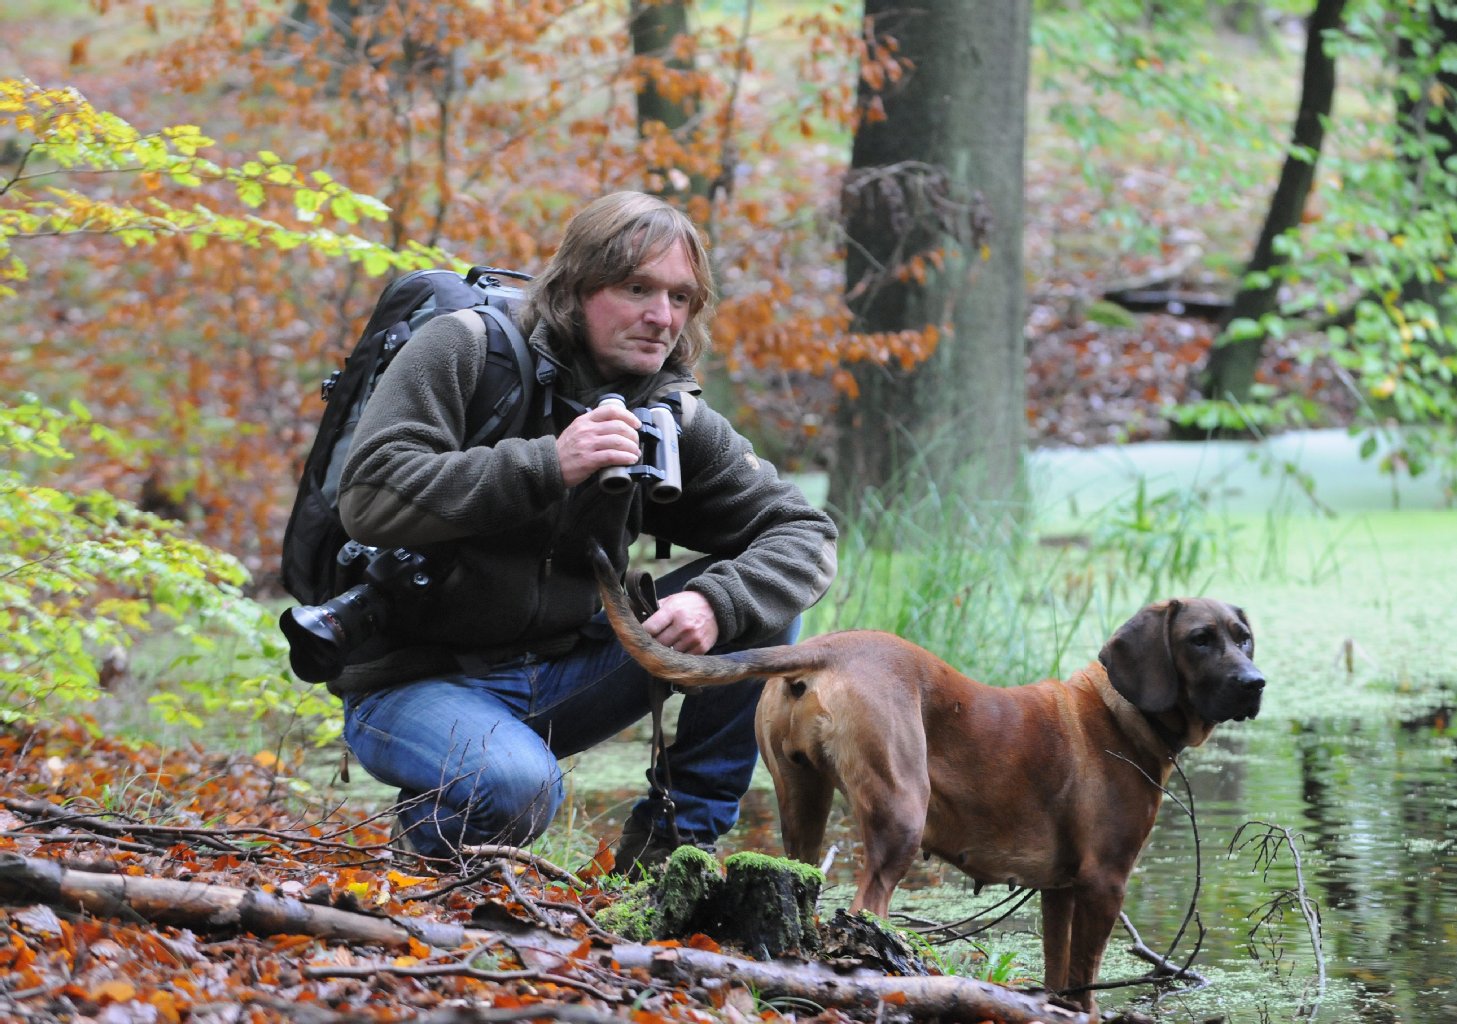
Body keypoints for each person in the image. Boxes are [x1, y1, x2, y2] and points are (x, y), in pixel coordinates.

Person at [329, 190, 838, 873]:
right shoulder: (466, 349)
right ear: (575, 287)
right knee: (517, 788)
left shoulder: (666, 414)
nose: (661, 317)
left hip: (565, 676)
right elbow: (368, 496)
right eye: (636, 289)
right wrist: (549, 463)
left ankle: (671, 851)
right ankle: (426, 837)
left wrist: (714, 604)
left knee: (764, 610)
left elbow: (803, 531)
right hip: (413, 686)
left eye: (681, 298)